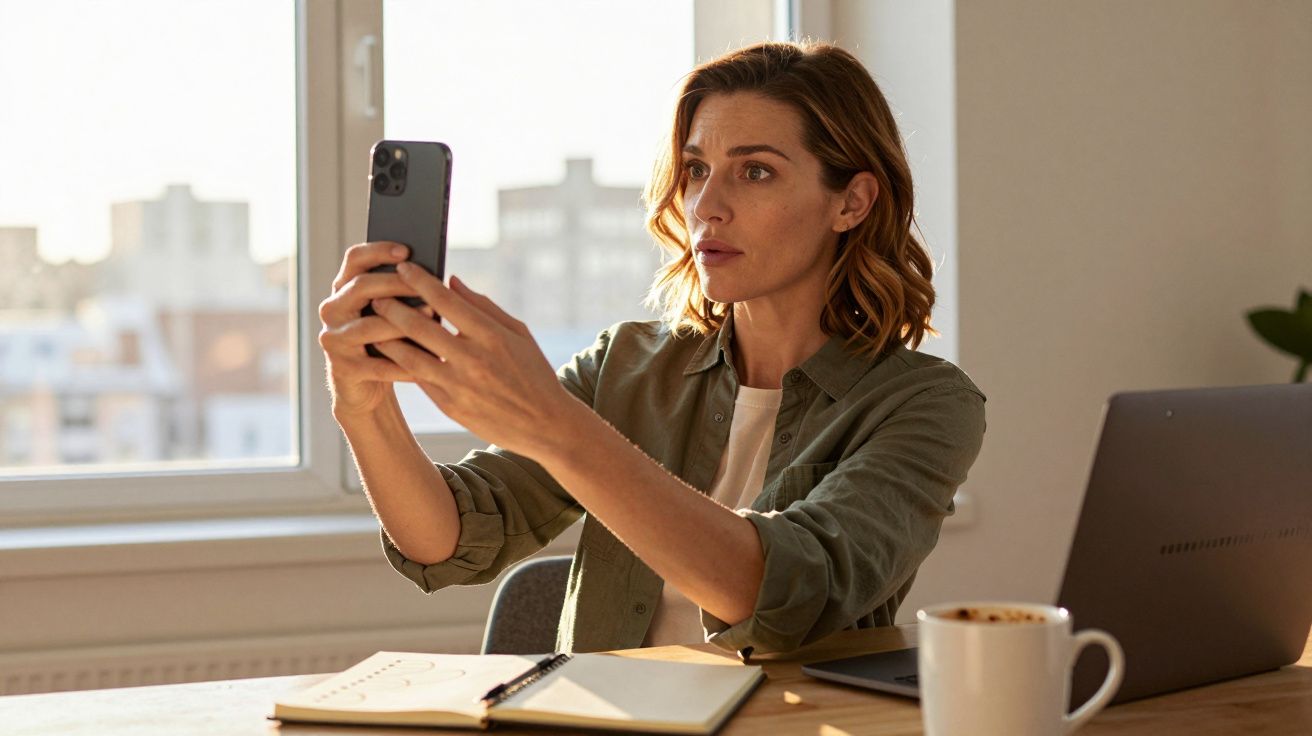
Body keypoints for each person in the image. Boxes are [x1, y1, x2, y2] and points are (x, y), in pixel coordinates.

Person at [317, 41, 986, 656]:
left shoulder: (926, 404)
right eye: (697, 168)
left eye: (755, 171)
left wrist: (557, 426)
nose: (707, 206)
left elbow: (783, 597)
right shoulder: (626, 364)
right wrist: (364, 409)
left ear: (853, 202)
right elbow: (448, 538)